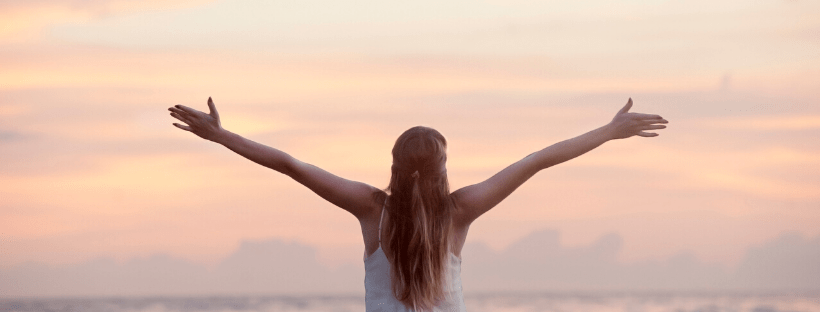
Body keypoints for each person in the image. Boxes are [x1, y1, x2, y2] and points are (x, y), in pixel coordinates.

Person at [168, 97, 668, 311]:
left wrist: (220, 136)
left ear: (393, 161)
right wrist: (608, 132)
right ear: (443, 168)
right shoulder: (462, 209)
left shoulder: (370, 208)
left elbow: (290, 164)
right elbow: (538, 160)